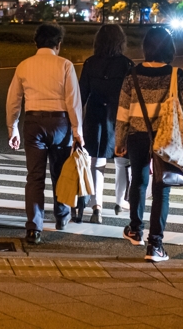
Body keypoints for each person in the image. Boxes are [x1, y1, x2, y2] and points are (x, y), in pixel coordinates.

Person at [116, 26, 183, 263]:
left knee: (138, 181)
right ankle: (155, 245)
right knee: (162, 189)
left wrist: (119, 141)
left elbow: (123, 112)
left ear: (146, 47)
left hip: (137, 135)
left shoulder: (132, 75)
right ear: (170, 48)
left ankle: (136, 230)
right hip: (166, 138)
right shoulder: (176, 75)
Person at [6, 23, 83, 245]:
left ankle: (33, 227)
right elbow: (73, 101)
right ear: (58, 44)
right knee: (60, 174)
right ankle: (61, 217)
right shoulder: (65, 65)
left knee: (35, 176)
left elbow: (13, 100)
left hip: (33, 123)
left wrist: (12, 128)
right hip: (60, 123)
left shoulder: (24, 65)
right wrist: (78, 131)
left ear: (36, 43)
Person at [78, 24, 133, 223]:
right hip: (119, 116)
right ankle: (120, 201)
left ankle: (96, 207)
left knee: (96, 161)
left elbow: (81, 95)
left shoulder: (90, 63)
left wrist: (75, 125)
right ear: (121, 42)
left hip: (94, 114)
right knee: (122, 161)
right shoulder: (127, 65)